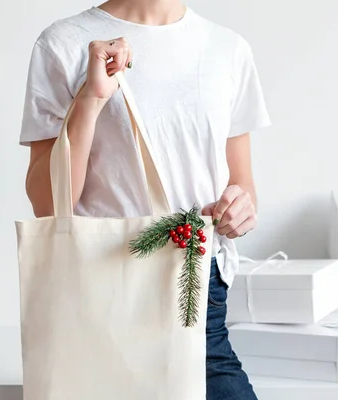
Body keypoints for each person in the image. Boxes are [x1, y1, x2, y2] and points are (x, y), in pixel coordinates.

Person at [20, 1, 270, 399]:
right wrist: (91, 98)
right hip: (98, 292)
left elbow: (243, 185)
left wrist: (239, 209)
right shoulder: (63, 43)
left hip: (197, 292)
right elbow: (47, 205)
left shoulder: (228, 49)